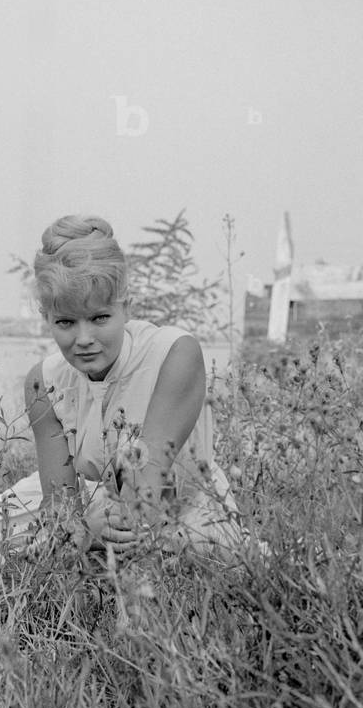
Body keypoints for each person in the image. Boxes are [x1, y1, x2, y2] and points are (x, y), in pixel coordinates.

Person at [22, 214, 239, 557]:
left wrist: (85, 531)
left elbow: (142, 503)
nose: (84, 339)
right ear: (46, 317)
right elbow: (58, 511)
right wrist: (76, 528)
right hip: (99, 507)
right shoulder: (44, 383)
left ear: (127, 306)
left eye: (100, 318)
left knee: (171, 554)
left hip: (183, 512)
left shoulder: (174, 353)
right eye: (65, 322)